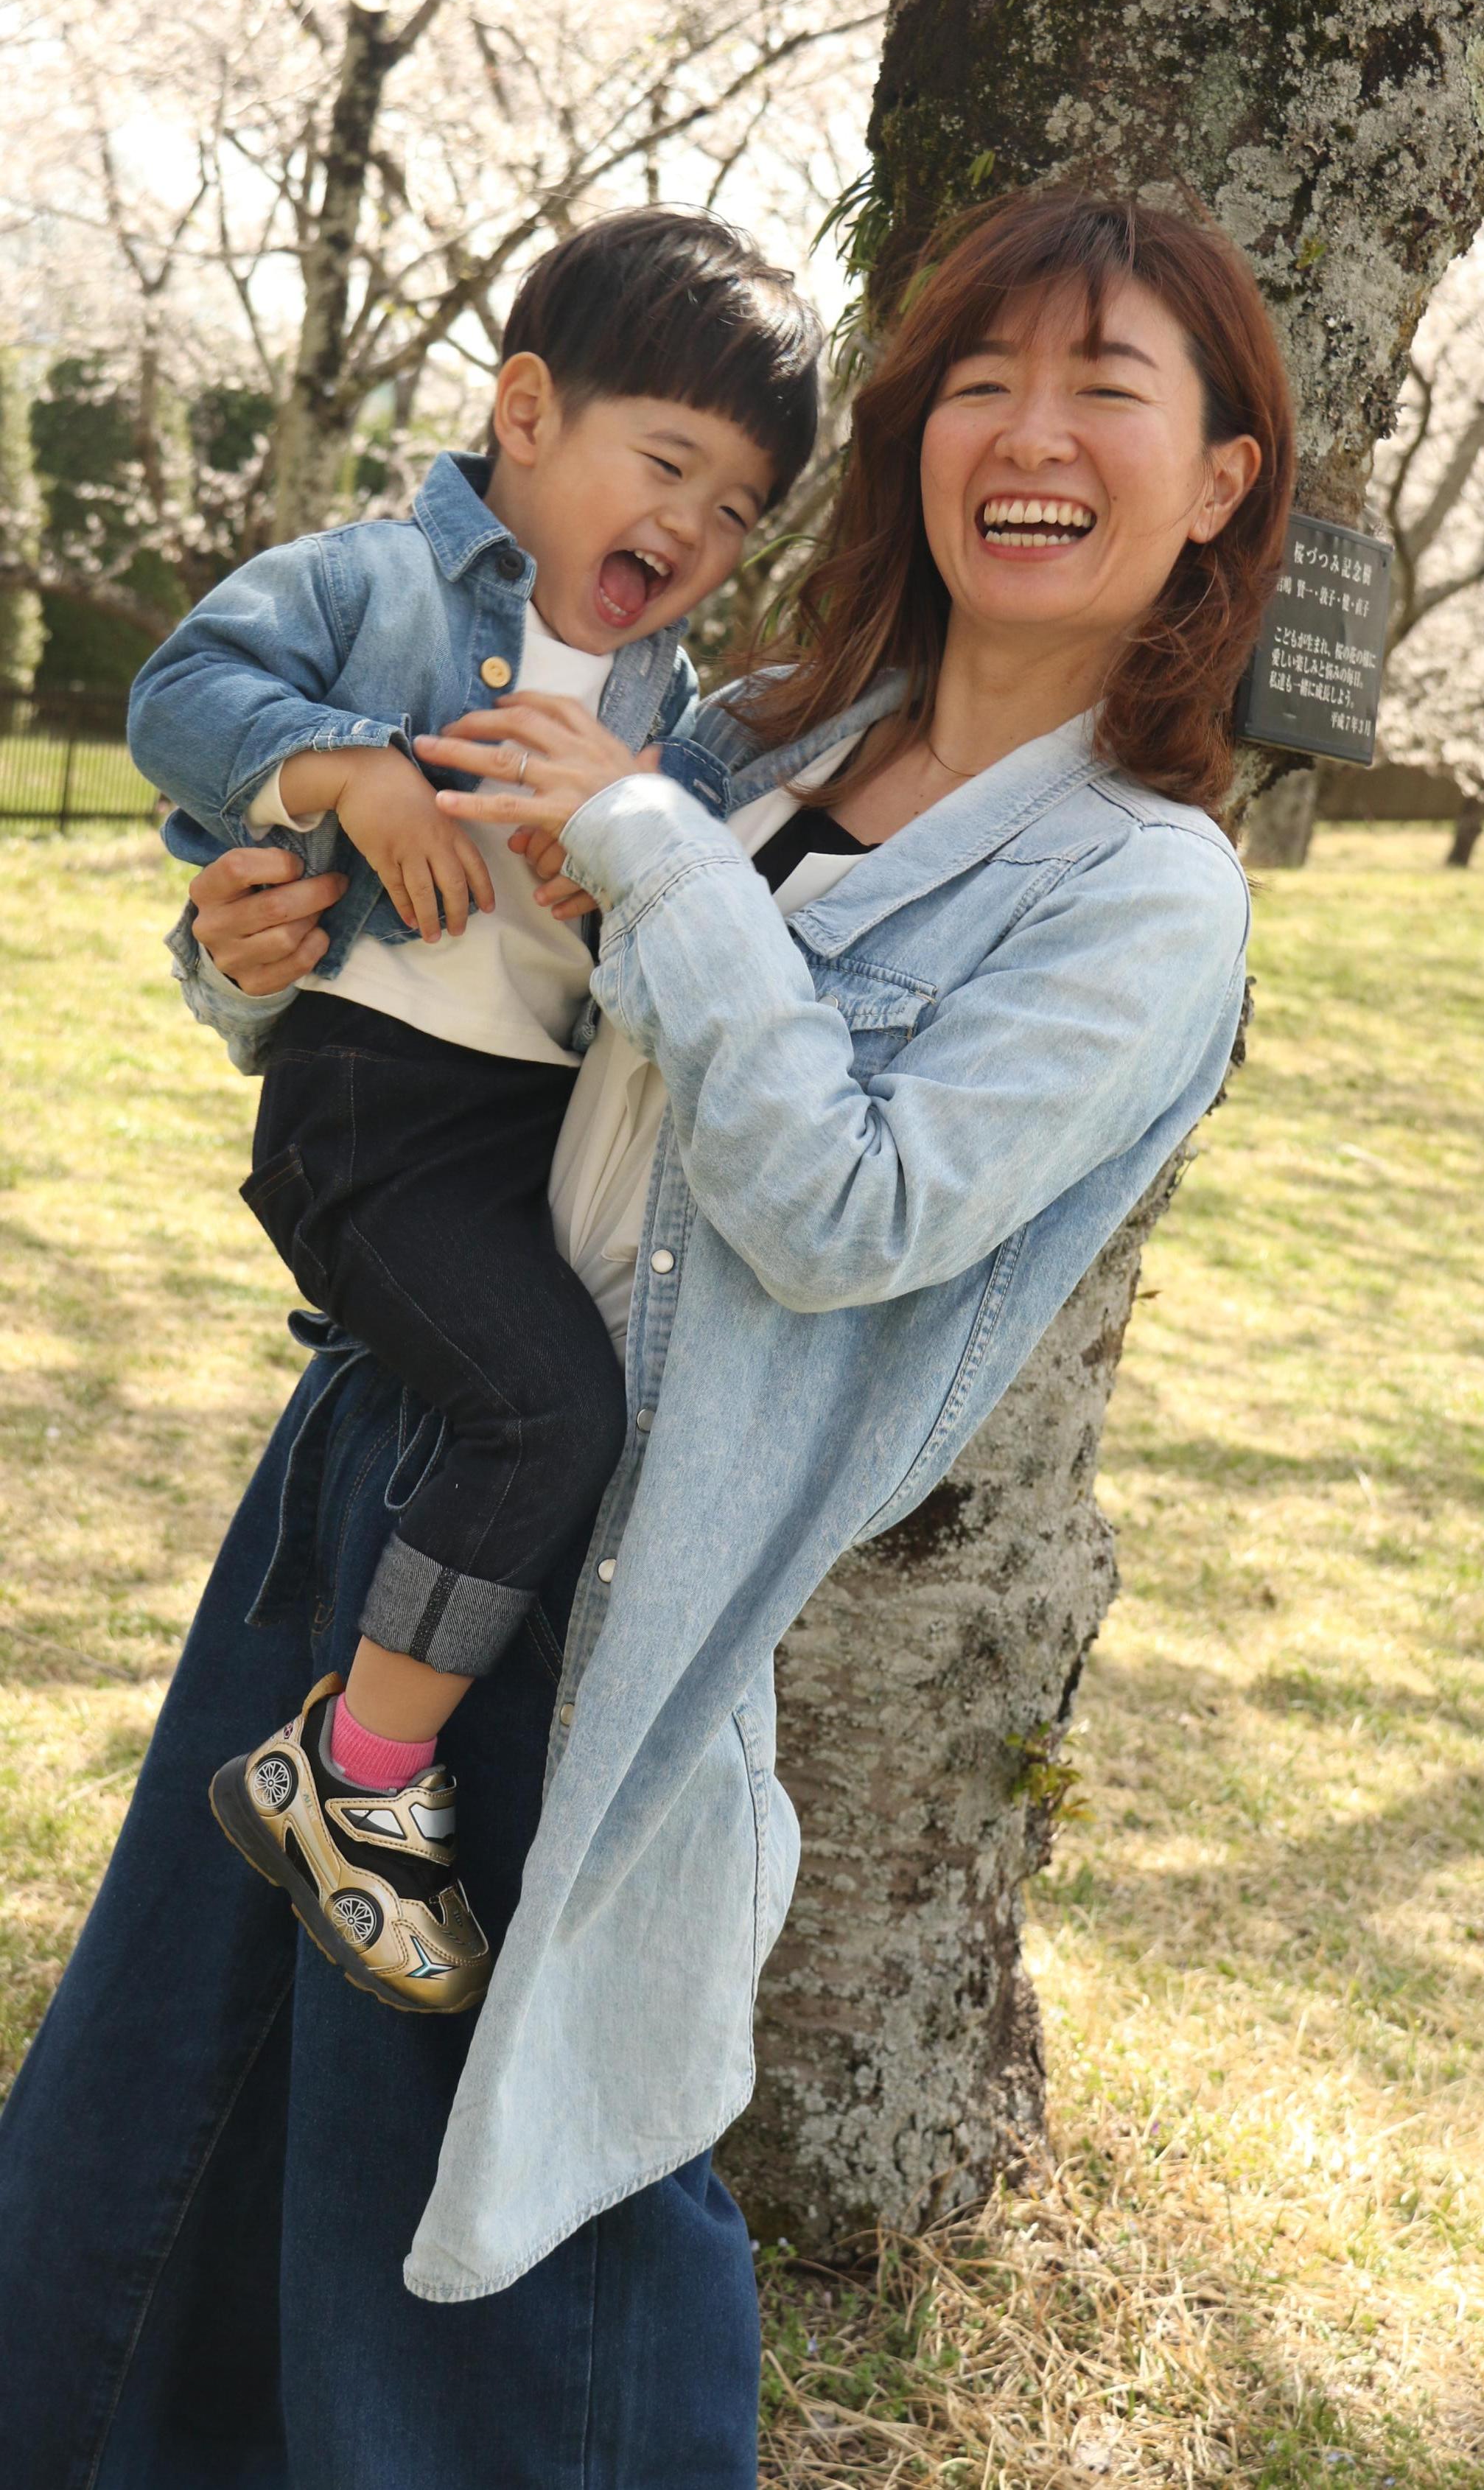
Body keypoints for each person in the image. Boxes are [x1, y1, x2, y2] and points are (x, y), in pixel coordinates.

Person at [0, 189, 1293, 2487]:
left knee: (527, 2264)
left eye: (1109, 389)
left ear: (1217, 482)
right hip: (382, 1458)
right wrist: (250, 947)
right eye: (982, 381)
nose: (1029, 431)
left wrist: (660, 860)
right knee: (164, 2135)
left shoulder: (1137, 889)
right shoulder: (780, 732)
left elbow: (849, 1209)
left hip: (614, 1597)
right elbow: (493, 1037)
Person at [125, 209, 822, 2012]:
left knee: (562, 1398)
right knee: (542, 1407)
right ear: (526, 411)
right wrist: (350, 775)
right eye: (666, 462)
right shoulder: (379, 585)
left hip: (524, 1132)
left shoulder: (675, 711)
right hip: (374, 1113)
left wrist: (620, 893)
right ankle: (350, 1780)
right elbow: (178, 691)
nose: (693, 526)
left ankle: (378, 1758)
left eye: (740, 507)